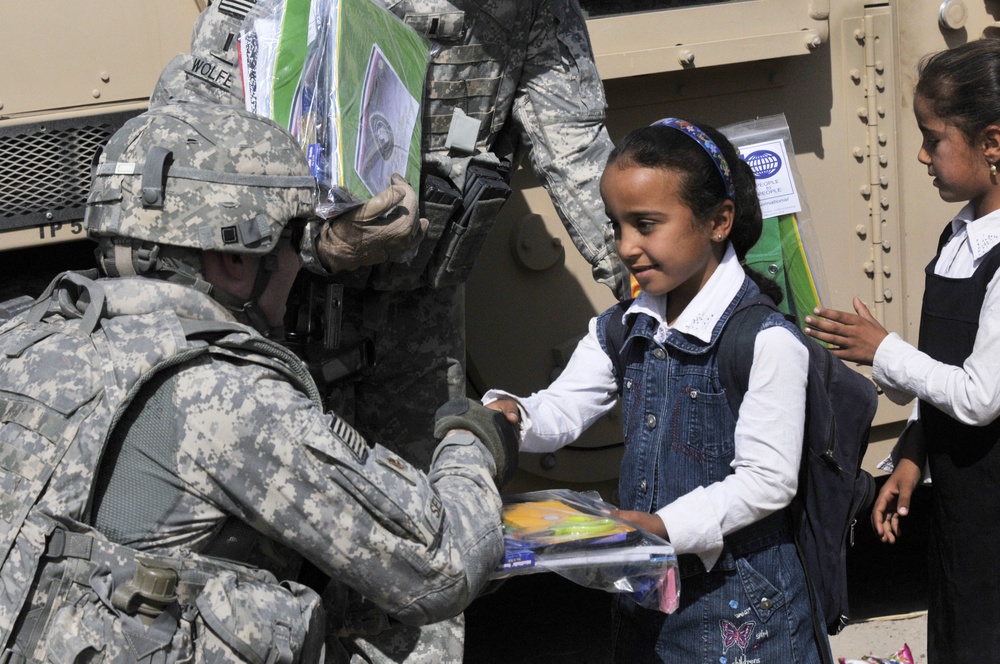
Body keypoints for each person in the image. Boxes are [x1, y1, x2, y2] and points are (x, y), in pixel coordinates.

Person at [0, 100, 519, 664]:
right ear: (234, 262)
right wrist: (473, 441)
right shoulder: (222, 394)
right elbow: (438, 566)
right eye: (295, 240)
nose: (304, 263)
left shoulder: (27, 337)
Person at [151, 0, 624, 471]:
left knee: (429, 512)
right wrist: (315, 242)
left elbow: (578, 155)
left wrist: (660, 284)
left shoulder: (532, 10)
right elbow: (190, 174)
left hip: (420, 320)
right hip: (278, 310)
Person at [483, 119, 833, 663]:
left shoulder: (764, 341)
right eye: (617, 225)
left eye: (646, 224)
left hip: (742, 615)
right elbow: (567, 405)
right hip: (650, 604)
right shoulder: (622, 327)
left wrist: (661, 526)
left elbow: (767, 483)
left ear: (719, 221)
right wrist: (514, 416)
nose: (626, 247)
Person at [804, 38, 1000, 663]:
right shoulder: (958, 235)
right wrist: (912, 453)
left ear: (993, 143)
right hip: (963, 510)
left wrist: (882, 348)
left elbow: (978, 396)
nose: (921, 154)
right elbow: (947, 361)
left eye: (933, 137)